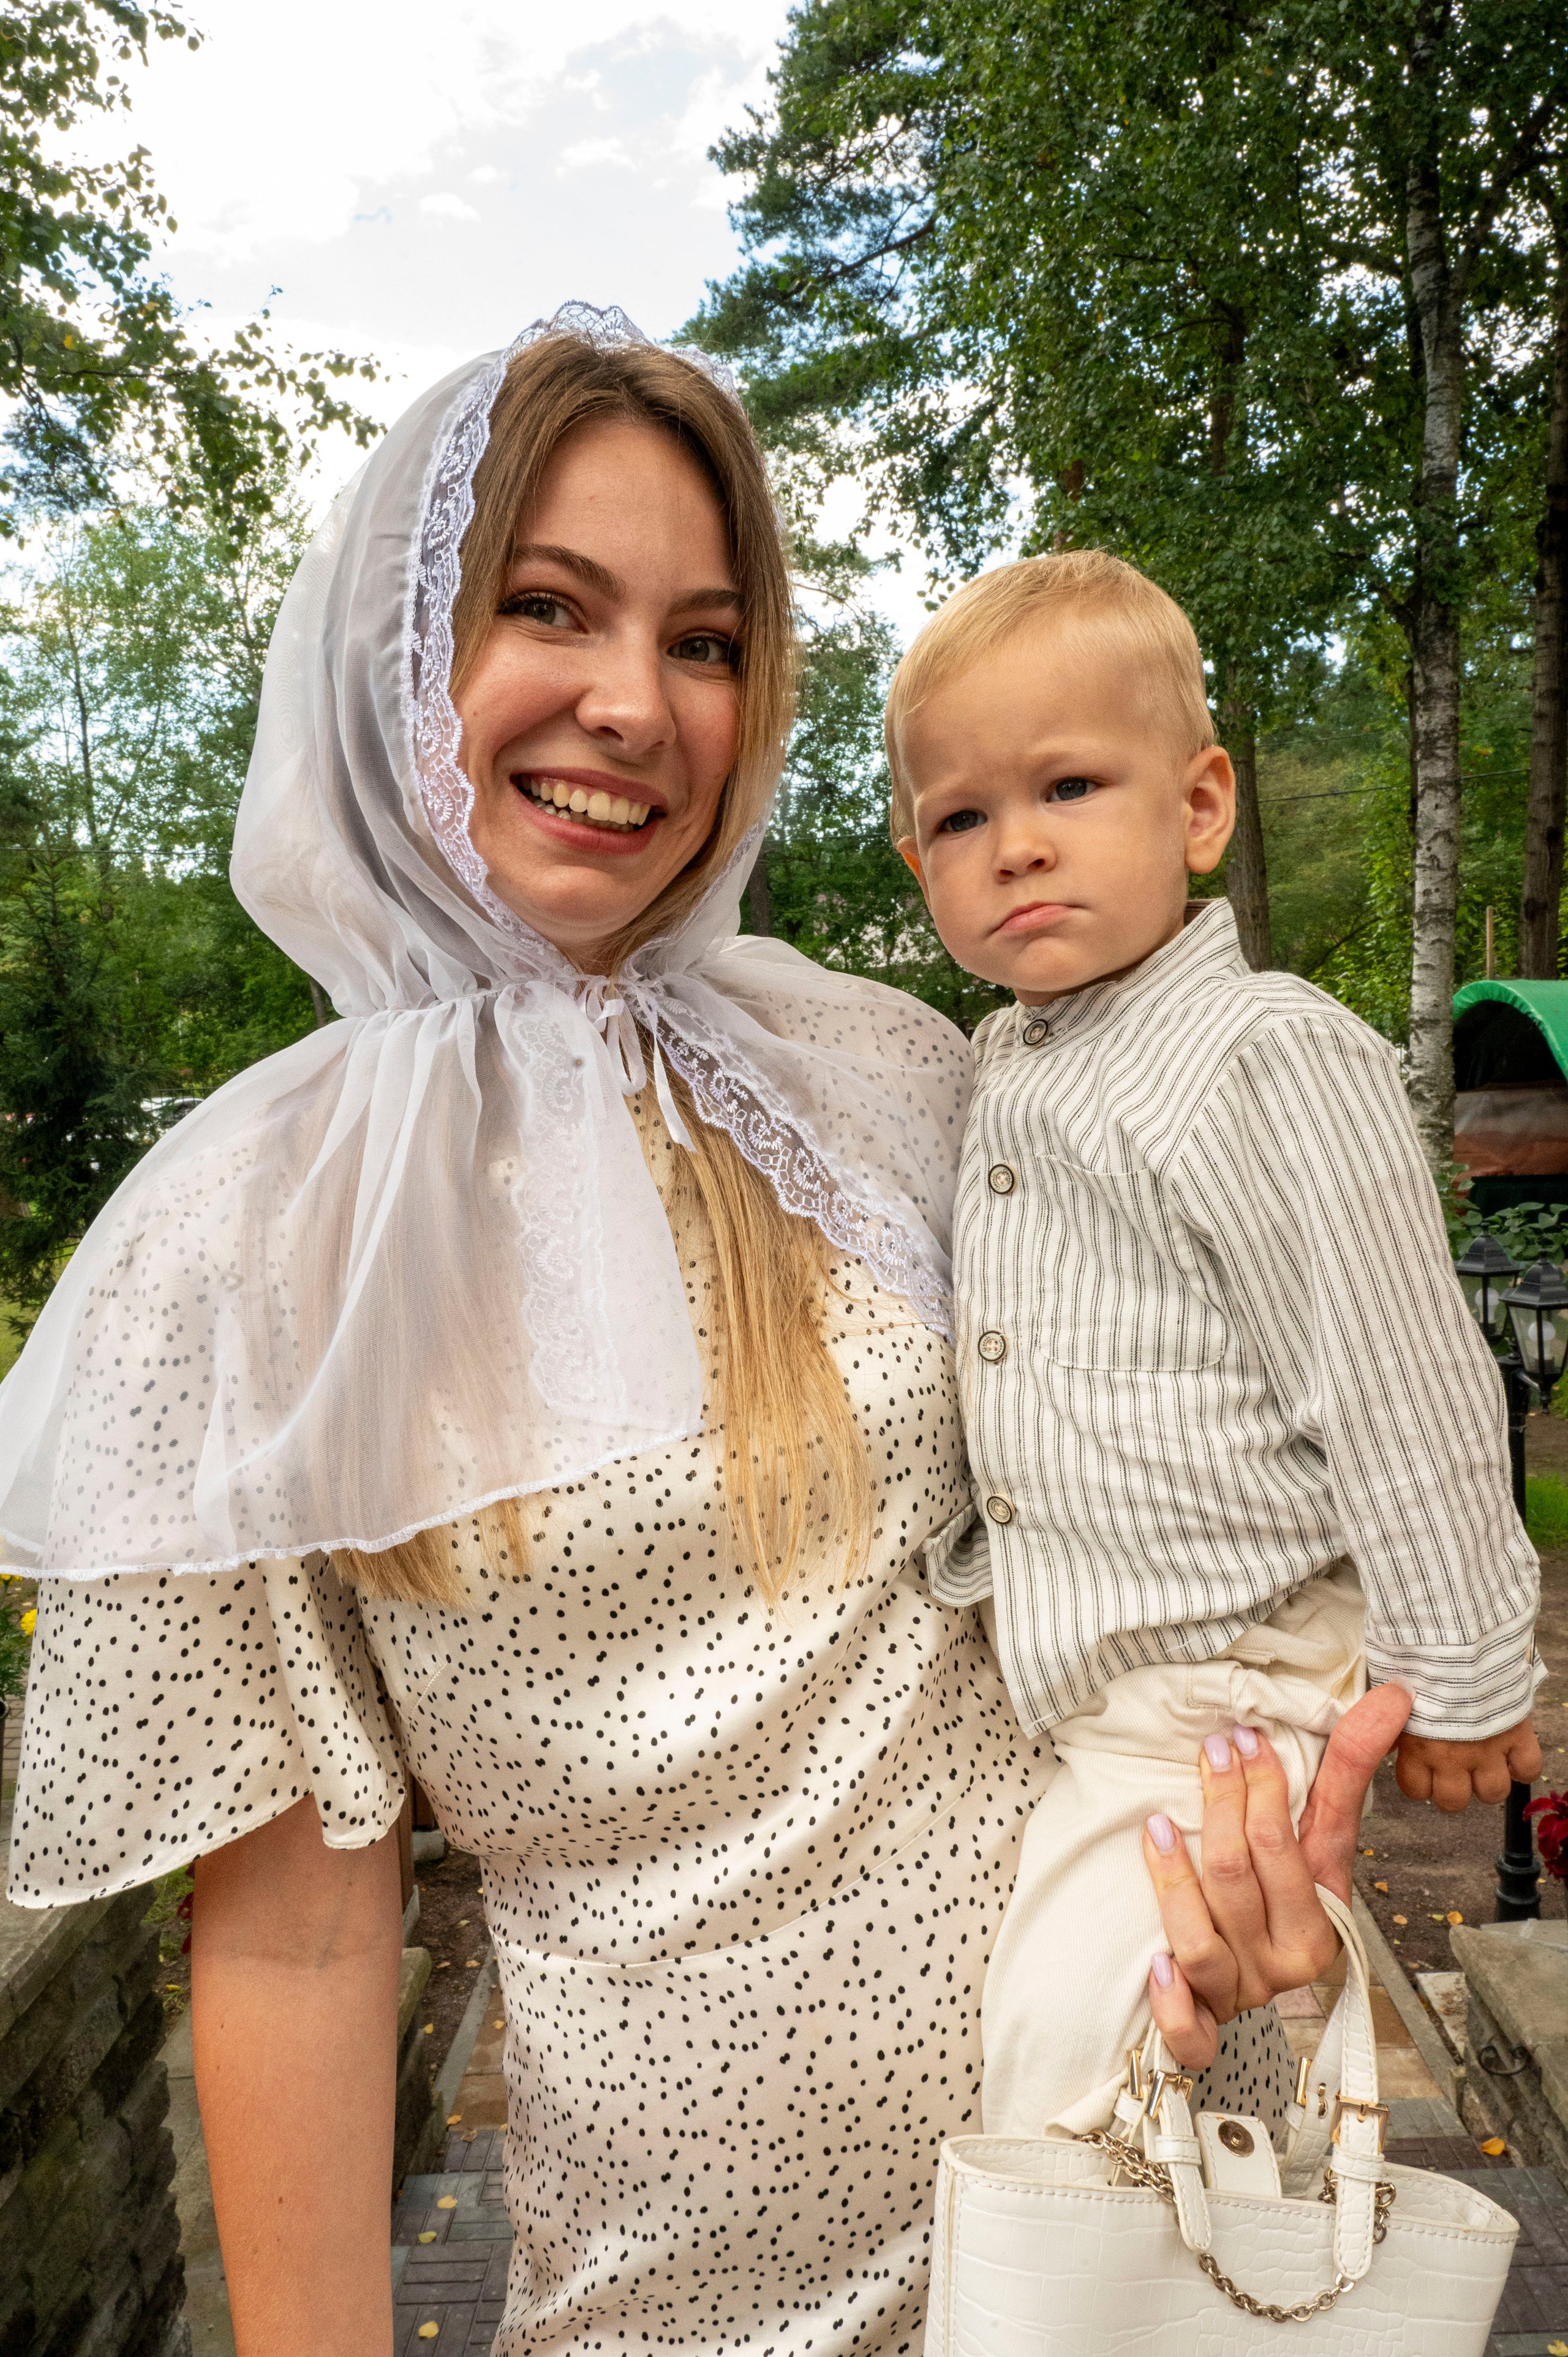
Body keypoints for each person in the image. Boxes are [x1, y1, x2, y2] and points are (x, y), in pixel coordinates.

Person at [4, 314, 1404, 2357]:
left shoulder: (896, 1073)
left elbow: (1186, 1488)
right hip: (674, 2303)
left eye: (711, 640)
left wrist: (1257, 1926)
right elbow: (303, 1941)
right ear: (396, 653)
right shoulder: (241, 1246)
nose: (635, 706)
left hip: (1135, 2172)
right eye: (546, 607)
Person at [889, 548, 1544, 2140]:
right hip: (1126, 1711)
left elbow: (1401, 1385)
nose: (1017, 845)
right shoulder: (1015, 1064)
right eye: (960, 820)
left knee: (1052, 2088)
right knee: (1175, 2083)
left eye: (1068, 786)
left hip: (1226, 1695)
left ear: (1198, 808)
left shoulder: (1262, 1057)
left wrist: (1467, 1674)